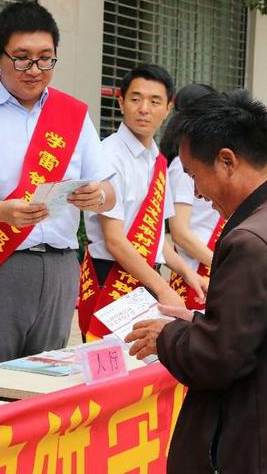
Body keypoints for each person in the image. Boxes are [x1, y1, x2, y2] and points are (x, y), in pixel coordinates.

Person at [0, 1, 115, 370]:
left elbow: (109, 194)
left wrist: (97, 196)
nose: (35, 70)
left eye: (46, 59)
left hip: (60, 267)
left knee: (45, 391)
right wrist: (1, 212)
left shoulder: (73, 115)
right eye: (22, 58)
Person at [125, 89, 267, 473]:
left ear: (227, 161)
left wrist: (166, 336)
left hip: (255, 442)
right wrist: (201, 325)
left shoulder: (251, 240)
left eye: (193, 175)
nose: (198, 193)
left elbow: (218, 359)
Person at [80, 64, 207, 340]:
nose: (144, 108)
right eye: (136, 99)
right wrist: (163, 289)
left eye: (154, 101)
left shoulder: (157, 160)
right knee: (109, 368)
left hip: (145, 278)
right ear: (121, 102)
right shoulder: (108, 156)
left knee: (139, 368)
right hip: (111, 278)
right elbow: (115, 240)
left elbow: (157, 236)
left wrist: (188, 274)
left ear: (168, 108)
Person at [162, 83, 223, 309]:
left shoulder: (207, 161)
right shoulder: (181, 167)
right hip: (197, 270)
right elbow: (179, 233)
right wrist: (219, 263)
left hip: (209, 263)